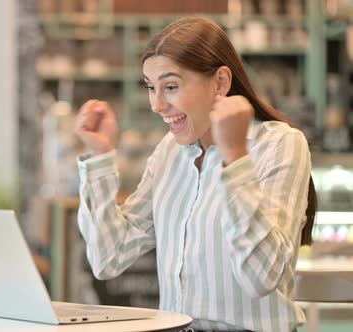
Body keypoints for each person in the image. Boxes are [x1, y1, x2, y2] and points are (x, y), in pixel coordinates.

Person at [74, 17, 316, 332]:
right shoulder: (168, 153)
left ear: (220, 82)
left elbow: (261, 278)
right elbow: (109, 258)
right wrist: (100, 156)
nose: (157, 105)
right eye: (151, 87)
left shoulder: (279, 144)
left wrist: (235, 158)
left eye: (171, 86)